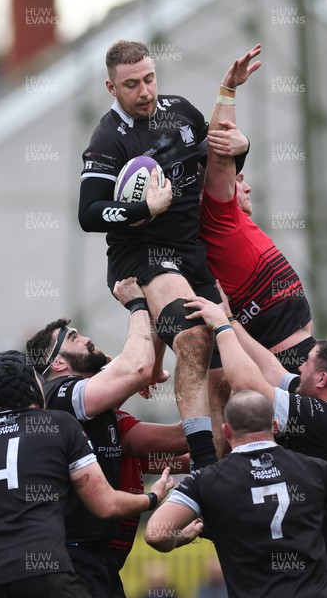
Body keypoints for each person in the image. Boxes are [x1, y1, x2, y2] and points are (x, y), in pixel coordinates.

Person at [78, 39, 261, 470]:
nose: (144, 92)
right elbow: (88, 213)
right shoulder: (108, 138)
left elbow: (219, 158)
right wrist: (144, 208)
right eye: (131, 85)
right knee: (194, 334)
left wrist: (242, 144)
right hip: (141, 255)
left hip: (190, 251)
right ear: (111, 87)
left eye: (149, 79)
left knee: (221, 376)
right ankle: (200, 461)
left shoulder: (179, 110)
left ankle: (212, 468)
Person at [183, 293, 327, 598]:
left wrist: (222, 329)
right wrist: (232, 320)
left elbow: (251, 387)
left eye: (306, 363)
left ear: (321, 379)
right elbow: (273, 372)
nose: (298, 367)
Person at [25, 277, 166, 598]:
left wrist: (160, 310)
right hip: (75, 556)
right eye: (74, 338)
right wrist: (137, 305)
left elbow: (146, 369)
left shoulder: (91, 407)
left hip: (95, 558)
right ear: (58, 362)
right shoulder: (60, 393)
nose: (88, 338)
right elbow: (140, 369)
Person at [145, 390, 327, 598]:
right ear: (275, 426)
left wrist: (181, 538)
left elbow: (155, 534)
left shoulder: (206, 480)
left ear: (226, 431)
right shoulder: (318, 469)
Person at [0, 350, 173, 598]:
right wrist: (152, 498)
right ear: (34, 386)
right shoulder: (59, 423)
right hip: (47, 572)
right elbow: (106, 505)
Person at [200, 73, 315, 374]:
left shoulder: (228, 223)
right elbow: (220, 153)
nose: (247, 186)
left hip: (304, 355)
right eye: (239, 181)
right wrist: (228, 90)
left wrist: (244, 144)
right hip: (288, 369)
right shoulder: (218, 218)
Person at [109, 409, 190, 570]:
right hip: (90, 564)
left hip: (107, 567)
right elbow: (182, 438)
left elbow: (188, 461)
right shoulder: (114, 425)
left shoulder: (130, 447)